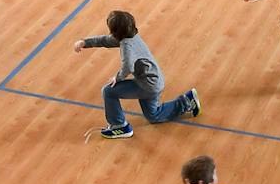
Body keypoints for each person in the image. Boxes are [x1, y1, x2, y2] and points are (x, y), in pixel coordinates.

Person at [74, 10, 201, 140]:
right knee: (154, 115)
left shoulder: (126, 46)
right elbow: (106, 41)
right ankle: (187, 101)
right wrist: (85, 42)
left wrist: (117, 78)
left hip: (147, 85)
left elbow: (127, 66)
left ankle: (119, 126)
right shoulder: (131, 36)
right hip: (154, 81)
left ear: (114, 31)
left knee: (108, 91)